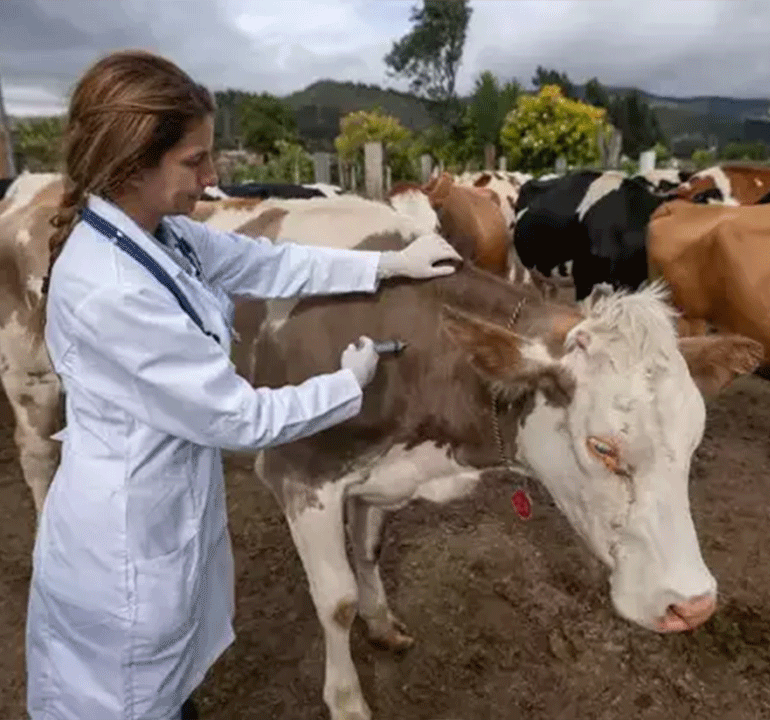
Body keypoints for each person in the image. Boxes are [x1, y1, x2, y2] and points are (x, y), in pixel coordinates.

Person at [24, 49, 462, 720]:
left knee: (166, 695)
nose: (212, 174)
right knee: (131, 701)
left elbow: (268, 262)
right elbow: (240, 421)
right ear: (133, 162)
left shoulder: (161, 235)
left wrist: (387, 263)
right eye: (195, 160)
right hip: (124, 546)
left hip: (158, 505)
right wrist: (348, 383)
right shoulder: (112, 287)